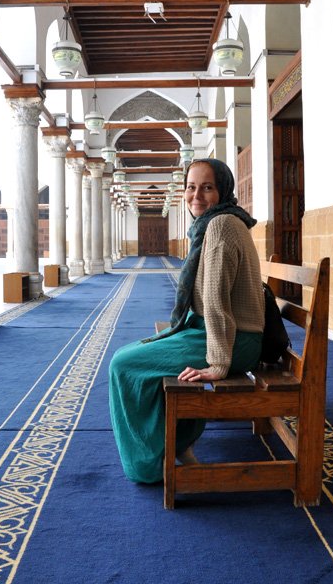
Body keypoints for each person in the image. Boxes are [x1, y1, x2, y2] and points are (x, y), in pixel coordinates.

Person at [108, 157, 264, 484]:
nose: (197, 195)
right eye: (191, 187)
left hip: (233, 341)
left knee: (123, 365)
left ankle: (149, 465)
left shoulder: (220, 225)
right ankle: (176, 444)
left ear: (222, 191)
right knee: (141, 353)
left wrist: (219, 364)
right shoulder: (213, 224)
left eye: (207, 187)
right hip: (218, 332)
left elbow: (217, 300)